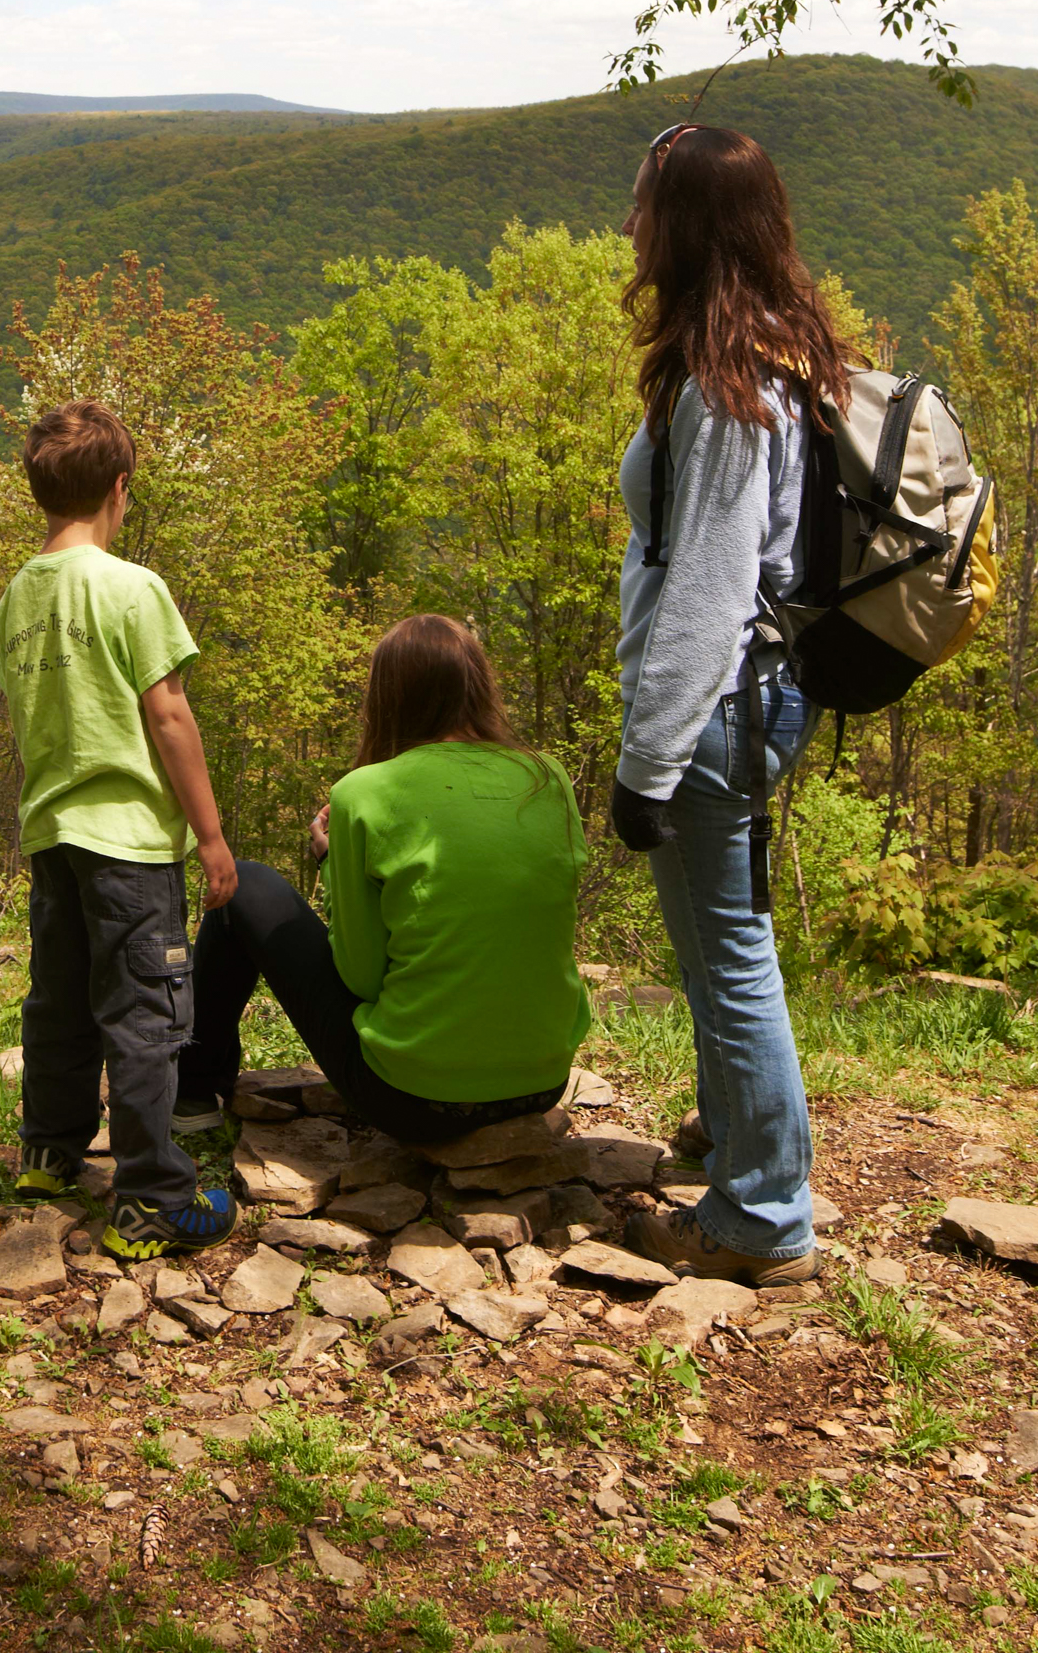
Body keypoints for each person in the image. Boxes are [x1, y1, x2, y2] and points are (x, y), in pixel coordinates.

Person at [602, 121, 849, 1287]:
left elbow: (707, 587)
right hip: (756, 697)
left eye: (645, 203)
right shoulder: (773, 357)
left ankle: (760, 1213)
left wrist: (645, 764)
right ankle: (734, 1127)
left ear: (689, 223)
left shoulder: (725, 389)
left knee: (730, 949)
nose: (630, 224)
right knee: (717, 938)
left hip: (720, 704)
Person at [175, 615, 590, 1147]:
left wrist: (332, 860)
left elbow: (362, 976)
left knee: (246, 887)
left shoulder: (364, 793)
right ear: (480, 685)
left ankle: (193, 1092)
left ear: (387, 696)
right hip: (544, 1083)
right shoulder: (548, 776)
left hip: (417, 1100)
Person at [0, 397, 243, 1259]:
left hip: (52, 832)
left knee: (60, 999)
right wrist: (210, 837)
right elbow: (168, 716)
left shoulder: (17, 597)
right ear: (120, 488)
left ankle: (49, 1152)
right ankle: (151, 1197)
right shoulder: (133, 588)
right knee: (144, 1013)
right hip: (130, 841)